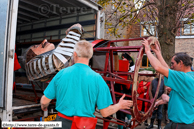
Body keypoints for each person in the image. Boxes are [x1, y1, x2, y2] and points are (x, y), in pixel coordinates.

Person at [40, 40, 133, 129]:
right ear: (90, 56)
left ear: (74, 54)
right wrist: (119, 105)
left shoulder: (61, 73)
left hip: (62, 123)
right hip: (85, 125)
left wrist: (44, 107)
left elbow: (44, 101)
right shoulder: (98, 79)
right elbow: (105, 113)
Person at [142, 36, 194, 129]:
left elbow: (159, 68)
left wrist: (148, 52)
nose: (172, 67)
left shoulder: (184, 78)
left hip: (181, 125)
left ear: (180, 63)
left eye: (173, 63)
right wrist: (158, 53)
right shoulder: (190, 76)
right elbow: (167, 70)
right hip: (186, 123)